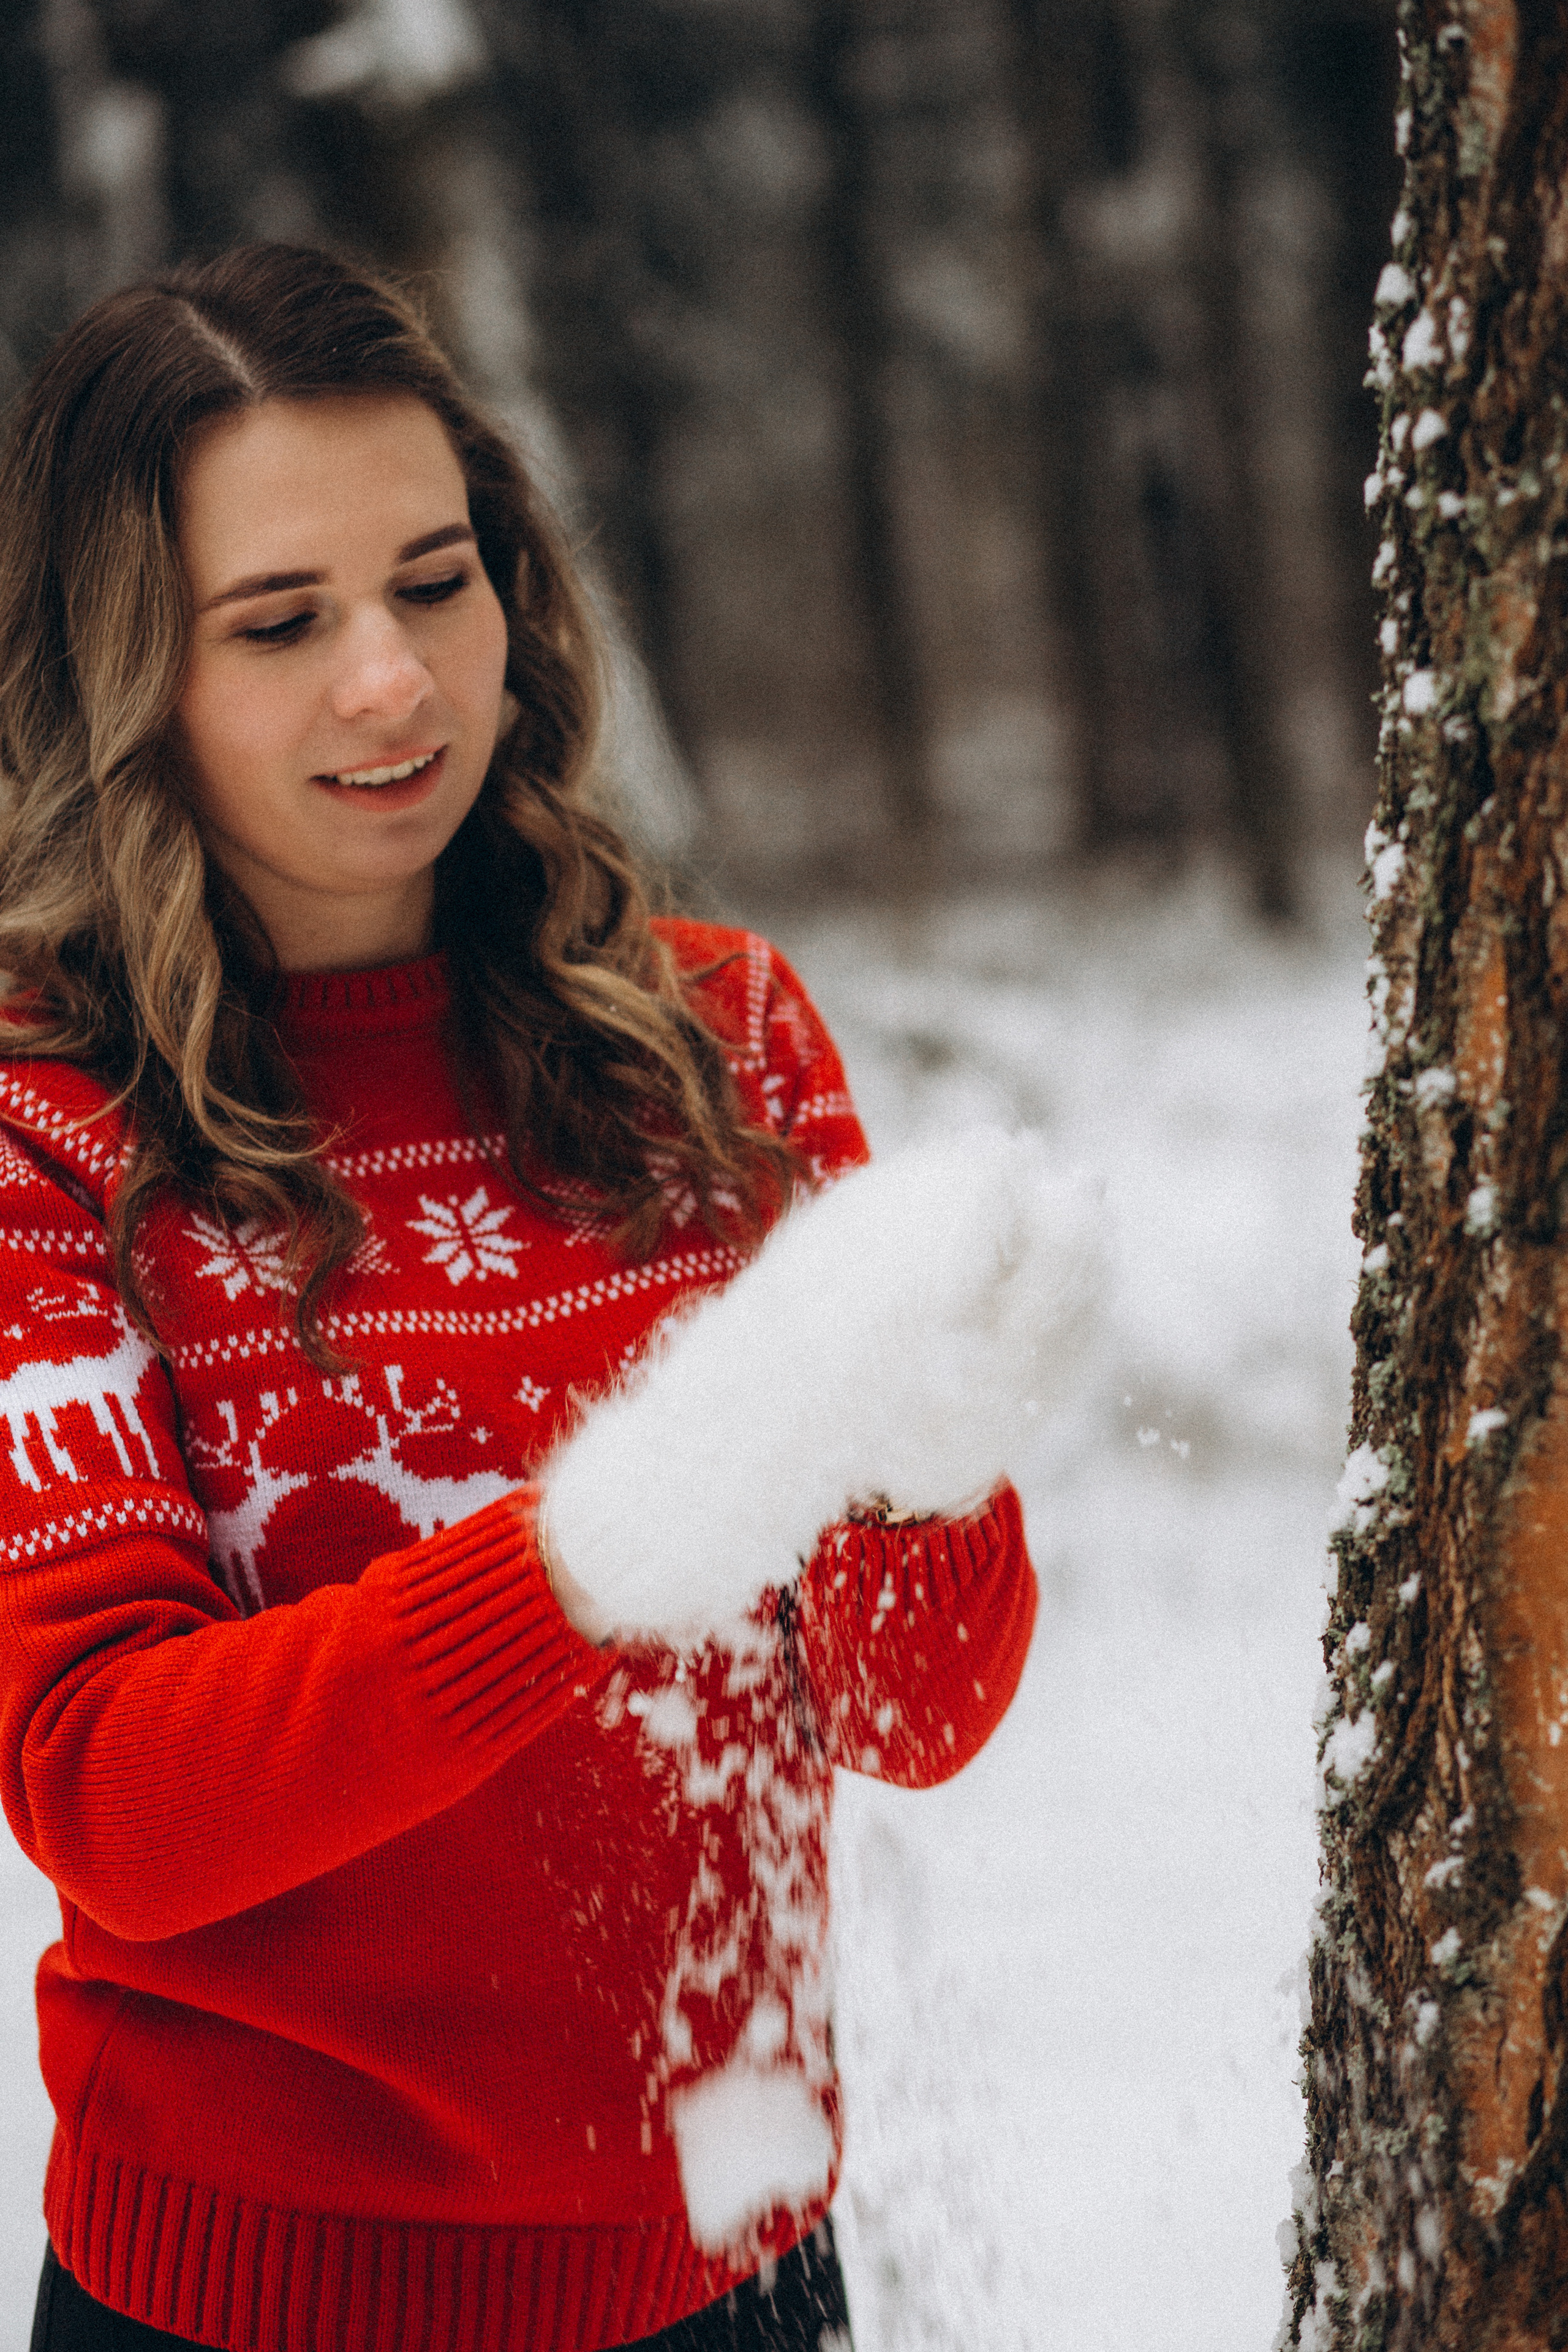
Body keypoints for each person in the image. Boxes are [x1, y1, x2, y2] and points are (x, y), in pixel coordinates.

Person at [0, 245, 1081, 2352]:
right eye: (282, 622)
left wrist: (935, 1441)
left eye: (434, 579)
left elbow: (914, 1715)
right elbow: (114, 1793)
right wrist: (601, 1544)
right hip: (253, 2304)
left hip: (740, 2266)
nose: (393, 683)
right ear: (130, 672)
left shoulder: (717, 1043)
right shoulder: (49, 1134)